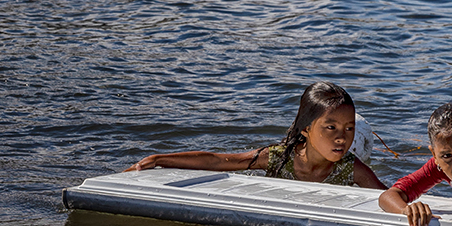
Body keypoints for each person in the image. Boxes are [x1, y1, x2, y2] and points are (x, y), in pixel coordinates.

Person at [128, 82, 387, 189]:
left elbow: (388, 197)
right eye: (331, 128)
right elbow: (220, 161)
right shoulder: (278, 158)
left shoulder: (352, 170)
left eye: (349, 128)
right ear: (306, 129)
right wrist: (159, 159)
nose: (343, 137)